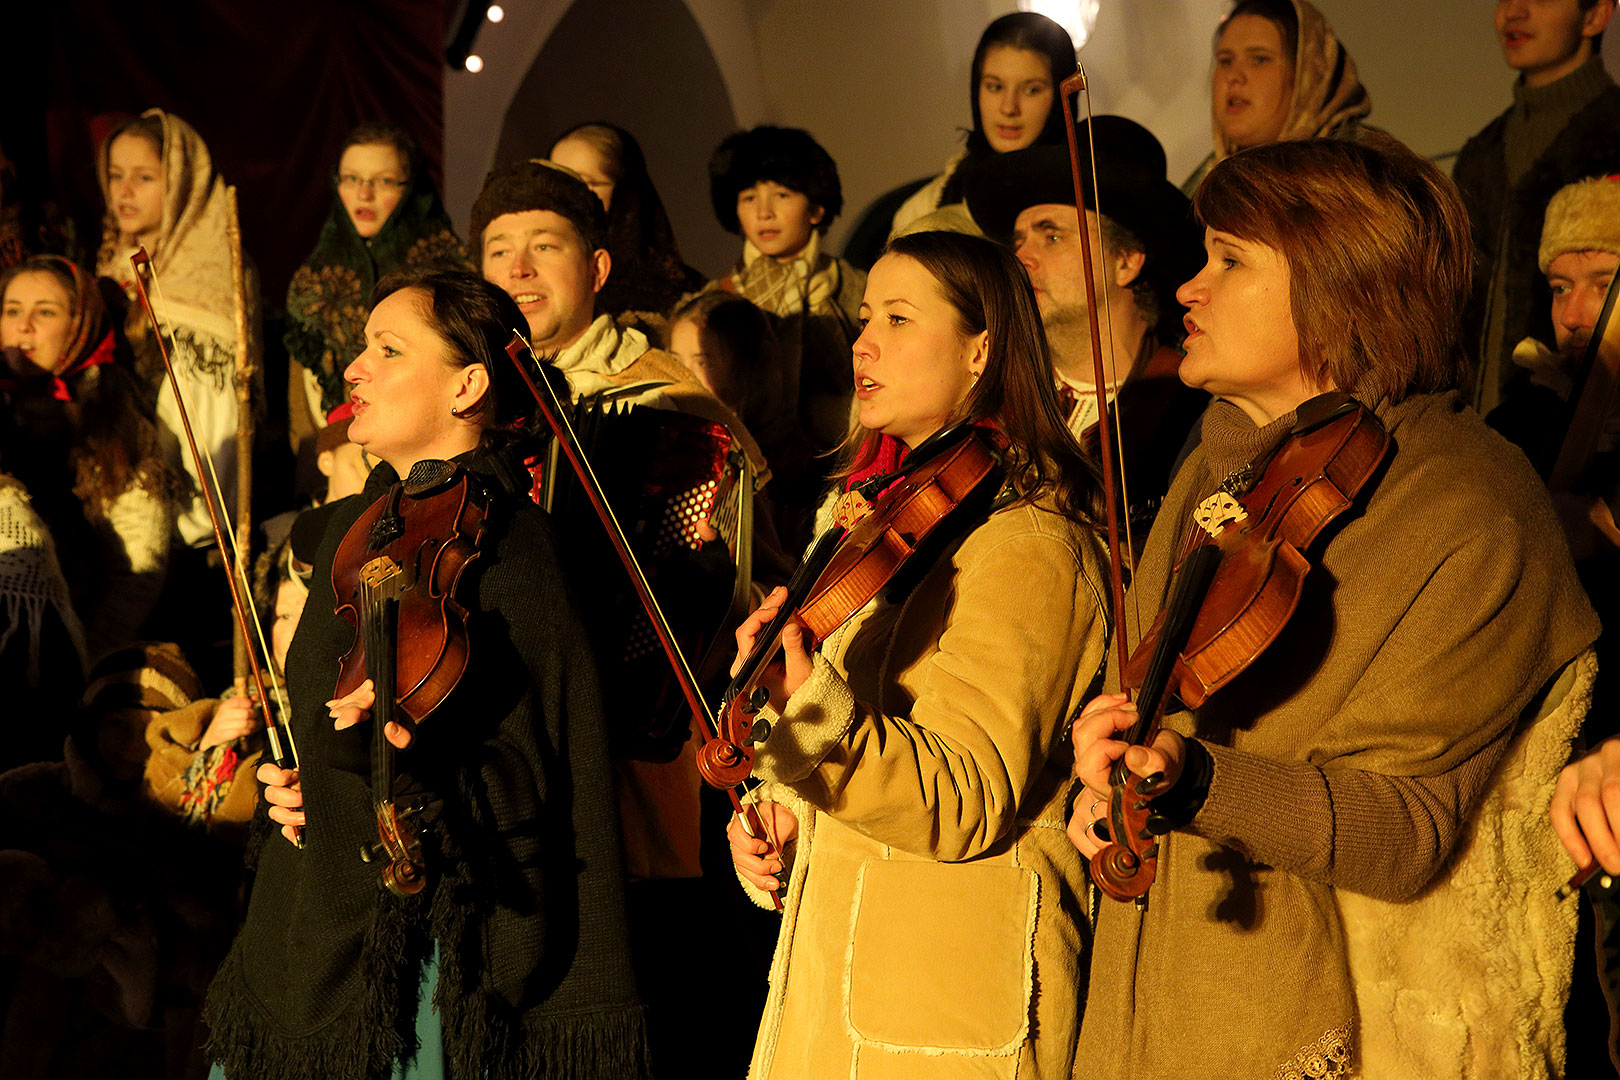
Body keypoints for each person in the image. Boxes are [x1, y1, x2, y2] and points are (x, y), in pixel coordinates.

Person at [1065, 136, 1599, 1078]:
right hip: (1150, 1005)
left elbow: (1408, 828)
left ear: (1344, 282)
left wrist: (1195, 782)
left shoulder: (1470, 508)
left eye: (1230, 259)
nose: (1190, 289)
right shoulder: (1214, 468)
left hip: (1317, 1033)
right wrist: (1106, 781)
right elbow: (1141, 709)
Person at [201, 268, 647, 1080]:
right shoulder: (343, 527)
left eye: (388, 349)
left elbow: (542, 774)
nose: (353, 368)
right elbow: (315, 715)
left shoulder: (517, 550)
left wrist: (421, 771)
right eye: (362, 347)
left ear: (468, 384)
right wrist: (297, 783)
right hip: (314, 909)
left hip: (435, 948)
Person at [725, 229, 1110, 1079]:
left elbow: (963, 795)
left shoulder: (1030, 546)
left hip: (949, 1014)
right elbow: (859, 762)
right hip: (849, 991)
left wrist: (814, 710)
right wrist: (783, 803)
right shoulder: (881, 525)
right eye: (865, 318)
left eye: (899, 319)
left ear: (982, 349)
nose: (864, 342)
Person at [965, 114, 1208, 542]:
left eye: (1052, 236)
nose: (1023, 257)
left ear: (1126, 261)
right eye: (1018, 240)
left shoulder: (1189, 408)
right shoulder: (995, 398)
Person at [0, 255, 184, 661]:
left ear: (80, 324)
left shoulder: (113, 417)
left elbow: (138, 567)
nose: (23, 326)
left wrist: (84, 656)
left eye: (44, 312)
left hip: (80, 641)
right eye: (12, 311)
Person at [95, 109, 258, 551]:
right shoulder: (110, 269)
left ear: (182, 181)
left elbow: (213, 420)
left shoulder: (212, 280)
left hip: (185, 530)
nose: (124, 191)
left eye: (144, 177)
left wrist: (185, 522)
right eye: (115, 174)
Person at [1454, 0, 1620, 415]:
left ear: (1597, 15)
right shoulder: (1481, 154)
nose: (1513, 12)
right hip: (1483, 434)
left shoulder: (1615, 133)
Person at [285, 123, 469, 446]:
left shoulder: (450, 274)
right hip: (331, 453)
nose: (364, 194)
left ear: (411, 189)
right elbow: (301, 403)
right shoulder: (312, 280)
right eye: (352, 179)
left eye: (383, 181)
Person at [705, 125, 863, 451]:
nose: (764, 212)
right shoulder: (717, 301)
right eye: (749, 198)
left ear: (816, 208)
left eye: (782, 195)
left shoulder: (858, 288)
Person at [885, 12, 1076, 240]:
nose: (1008, 108)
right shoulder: (925, 209)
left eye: (1031, 89)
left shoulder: (1091, 194)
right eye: (995, 87)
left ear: (1061, 95)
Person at [1181, 0, 1372, 196]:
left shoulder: (1362, 175)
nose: (1234, 77)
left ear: (1309, 73)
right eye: (1226, 61)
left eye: (1259, 59)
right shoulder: (1200, 192)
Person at [548, 122, 704, 318]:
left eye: (587, 183)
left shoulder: (684, 295)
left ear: (625, 193)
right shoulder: (543, 283)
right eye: (558, 182)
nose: (567, 195)